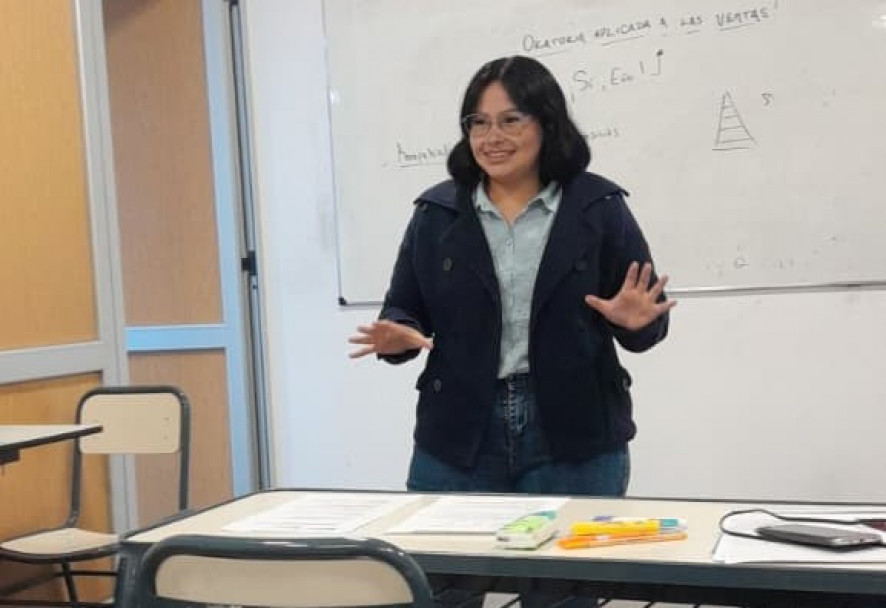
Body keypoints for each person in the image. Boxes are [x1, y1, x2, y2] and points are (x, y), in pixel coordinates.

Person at [349, 55, 674, 498]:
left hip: (573, 430)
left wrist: (635, 321)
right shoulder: (437, 214)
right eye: (478, 123)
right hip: (460, 431)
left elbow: (648, 321)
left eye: (510, 121)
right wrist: (398, 334)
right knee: (452, 565)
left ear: (547, 124)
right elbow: (404, 308)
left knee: (571, 566)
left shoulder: (598, 207)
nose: (492, 138)